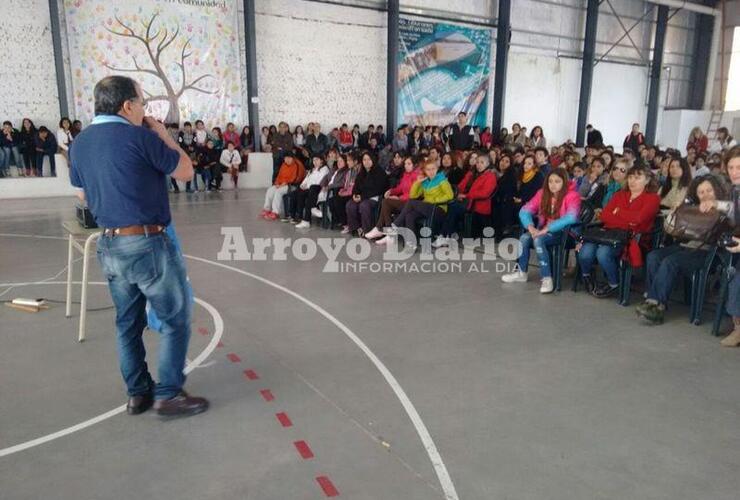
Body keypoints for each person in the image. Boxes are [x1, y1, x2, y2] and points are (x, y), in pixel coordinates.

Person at [68, 75, 206, 418]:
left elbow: (82, 195)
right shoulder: (141, 138)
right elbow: (186, 171)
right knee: (175, 319)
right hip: (148, 243)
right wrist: (164, 136)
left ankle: (138, 393)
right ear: (127, 105)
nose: (145, 110)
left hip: (110, 244)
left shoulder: (80, 143)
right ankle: (169, 394)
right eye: (142, 103)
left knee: (126, 323)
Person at [636, 175, 730, 324]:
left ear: (716, 190)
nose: (705, 195)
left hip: (708, 252)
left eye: (709, 190)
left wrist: (716, 205)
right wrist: (676, 213)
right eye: (701, 192)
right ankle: (655, 300)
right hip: (685, 246)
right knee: (653, 256)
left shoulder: (725, 208)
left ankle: (655, 304)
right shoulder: (692, 208)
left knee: (670, 262)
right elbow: (670, 229)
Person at [576, 164, 661, 298]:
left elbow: (639, 219)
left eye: (638, 178)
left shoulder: (653, 198)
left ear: (647, 180)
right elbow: (605, 215)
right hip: (608, 232)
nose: (632, 181)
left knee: (603, 253)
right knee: (585, 252)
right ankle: (586, 276)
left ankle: (613, 283)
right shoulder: (620, 195)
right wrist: (627, 219)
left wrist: (619, 212)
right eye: (631, 177)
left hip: (632, 238)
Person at [502, 168, 581, 293]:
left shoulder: (573, 195)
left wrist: (547, 229)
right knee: (524, 238)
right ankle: (521, 273)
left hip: (566, 234)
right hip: (542, 231)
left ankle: (547, 278)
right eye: (550, 181)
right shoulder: (542, 193)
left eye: (557, 181)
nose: (553, 185)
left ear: (564, 182)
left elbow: (571, 217)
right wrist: (530, 227)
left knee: (538, 240)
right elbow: (525, 210)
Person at [376, 160, 454, 248]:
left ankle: (395, 225)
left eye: (433, 169)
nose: (431, 172)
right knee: (410, 215)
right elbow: (413, 195)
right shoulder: (425, 182)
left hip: (439, 209)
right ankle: (411, 243)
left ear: (437, 169)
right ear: (425, 171)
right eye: (428, 170)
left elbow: (450, 196)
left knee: (411, 203)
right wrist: (418, 182)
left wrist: (434, 200)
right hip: (427, 208)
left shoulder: (442, 180)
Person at [434, 153, 498, 247]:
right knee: (450, 204)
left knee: (453, 207)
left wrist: (466, 196)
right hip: (466, 201)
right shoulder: (472, 173)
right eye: (477, 162)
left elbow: (485, 193)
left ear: (488, 164)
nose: (479, 165)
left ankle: (444, 235)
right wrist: (456, 194)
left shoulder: (490, 176)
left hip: (477, 205)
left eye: (482, 162)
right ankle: (448, 234)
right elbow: (460, 186)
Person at [365, 156, 419, 240]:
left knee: (386, 202)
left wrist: (399, 198)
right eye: (405, 164)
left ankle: (382, 230)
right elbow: (400, 188)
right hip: (403, 202)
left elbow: (414, 195)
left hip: (410, 203)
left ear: (414, 165)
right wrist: (391, 191)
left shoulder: (416, 176)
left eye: (409, 164)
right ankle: (387, 233)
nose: (406, 166)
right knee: (386, 203)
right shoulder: (406, 175)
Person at [346, 152, 389, 236]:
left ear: (373, 160)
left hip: (374, 197)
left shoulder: (379, 172)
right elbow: (356, 186)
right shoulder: (362, 173)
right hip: (362, 197)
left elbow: (377, 189)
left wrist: (362, 197)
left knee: (364, 205)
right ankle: (356, 228)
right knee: (350, 205)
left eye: (369, 159)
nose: (366, 162)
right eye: (364, 160)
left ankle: (367, 230)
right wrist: (355, 194)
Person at [288, 155, 330, 229]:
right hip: (309, 189)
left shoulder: (324, 169)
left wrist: (306, 186)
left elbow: (318, 182)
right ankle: (299, 217)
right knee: (296, 193)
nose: (315, 162)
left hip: (318, 190)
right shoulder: (312, 170)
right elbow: (305, 180)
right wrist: (302, 185)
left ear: (322, 160)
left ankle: (307, 218)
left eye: (317, 160)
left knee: (306, 191)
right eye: (314, 160)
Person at [261, 151, 305, 220]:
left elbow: (296, 179)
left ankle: (275, 212)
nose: (287, 160)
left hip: (293, 185)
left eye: (289, 158)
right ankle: (267, 209)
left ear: (292, 158)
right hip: (282, 184)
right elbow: (279, 176)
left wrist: (284, 183)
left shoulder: (297, 164)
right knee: (270, 190)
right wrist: (277, 183)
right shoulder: (284, 164)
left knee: (278, 192)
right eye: (285, 158)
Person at [492, 153, 518, 240]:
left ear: (510, 165)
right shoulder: (499, 174)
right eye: (502, 160)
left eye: (507, 162)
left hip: (505, 203)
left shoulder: (510, 176)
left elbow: (506, 191)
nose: (503, 163)